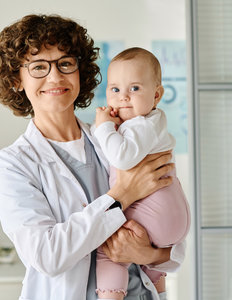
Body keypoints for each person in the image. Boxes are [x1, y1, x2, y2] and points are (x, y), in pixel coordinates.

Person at [0, 14, 185, 300]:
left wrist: (151, 253)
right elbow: (47, 256)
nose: (55, 77)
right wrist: (121, 195)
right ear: (16, 79)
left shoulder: (118, 138)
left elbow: (171, 221)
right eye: (39, 67)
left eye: (66, 63)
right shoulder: (13, 163)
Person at [93, 47, 190, 300]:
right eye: (115, 90)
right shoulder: (147, 123)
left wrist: (103, 128)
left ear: (157, 95)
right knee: (147, 265)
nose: (123, 97)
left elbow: (122, 157)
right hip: (169, 223)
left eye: (134, 89)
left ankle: (110, 296)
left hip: (154, 217)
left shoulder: (142, 124)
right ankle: (158, 291)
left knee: (108, 250)